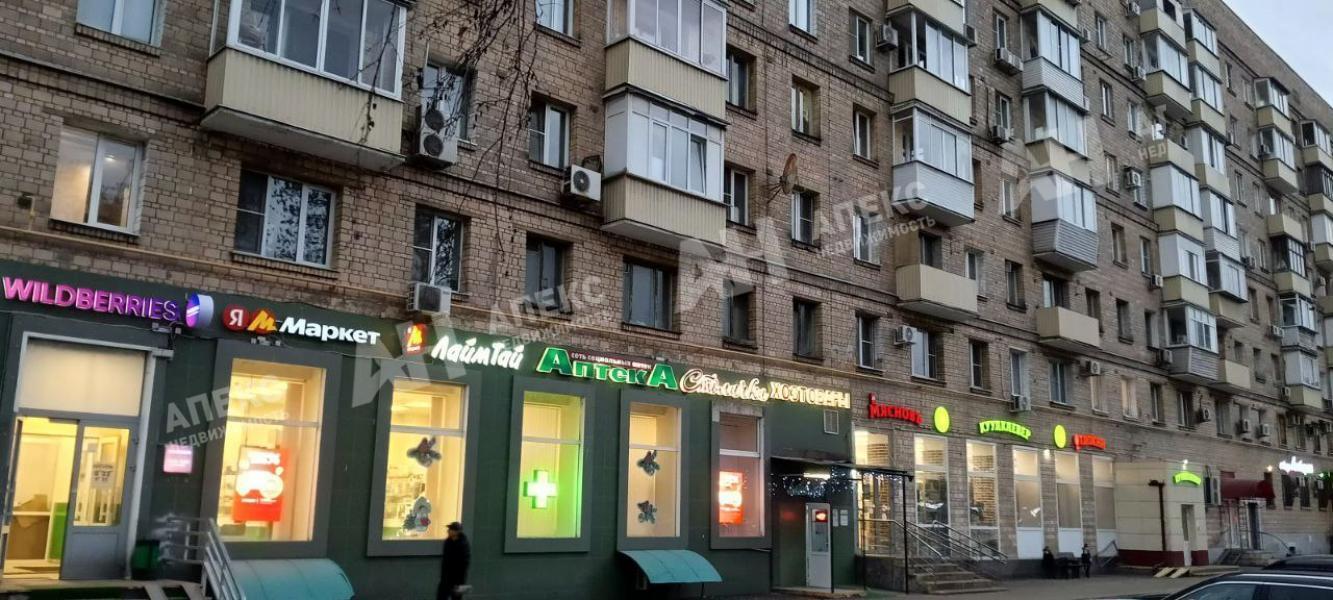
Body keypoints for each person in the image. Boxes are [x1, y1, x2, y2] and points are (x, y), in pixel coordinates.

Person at [437, 522, 472, 600]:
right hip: (446, 578)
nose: (448, 531)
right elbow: (445, 561)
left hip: (458, 579)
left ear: (457, 532)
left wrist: (461, 581)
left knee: (456, 598)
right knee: (441, 596)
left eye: (451, 529)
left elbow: (464, 563)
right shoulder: (448, 542)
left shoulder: (463, 545)